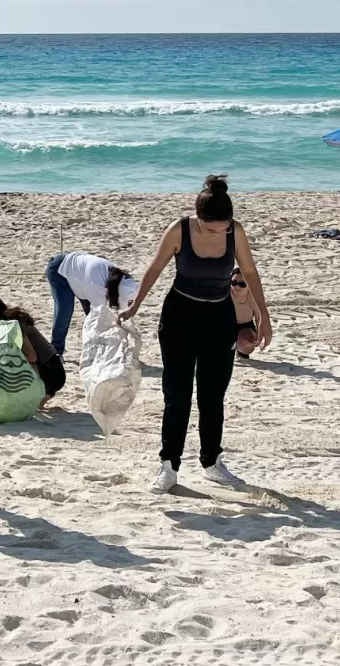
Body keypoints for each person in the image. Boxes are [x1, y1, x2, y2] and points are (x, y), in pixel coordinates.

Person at [119, 176, 272, 493]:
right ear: (197, 217)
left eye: (222, 228)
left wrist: (264, 316)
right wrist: (135, 306)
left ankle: (211, 462)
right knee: (177, 396)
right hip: (180, 317)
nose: (217, 233)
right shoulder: (180, 230)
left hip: (219, 317)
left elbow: (251, 271)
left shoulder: (236, 232)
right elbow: (156, 267)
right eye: (209, 228)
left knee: (213, 396)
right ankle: (169, 467)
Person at [0, 296, 64, 408]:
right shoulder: (8, 324)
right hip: (52, 371)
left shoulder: (14, 326)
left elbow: (31, 356)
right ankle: (43, 395)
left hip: (51, 373)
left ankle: (41, 392)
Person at [45, 251, 138, 355]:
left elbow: (117, 309)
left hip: (82, 277)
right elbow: (99, 314)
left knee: (92, 316)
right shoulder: (97, 285)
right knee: (65, 311)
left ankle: (98, 348)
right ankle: (56, 351)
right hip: (60, 270)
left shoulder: (126, 282)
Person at [230, 266, 261, 360]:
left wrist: (257, 338)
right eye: (234, 282)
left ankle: (241, 353)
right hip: (227, 324)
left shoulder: (253, 296)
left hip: (246, 326)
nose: (237, 286)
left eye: (242, 284)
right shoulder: (225, 293)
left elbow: (260, 318)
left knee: (246, 345)